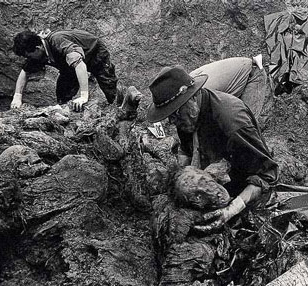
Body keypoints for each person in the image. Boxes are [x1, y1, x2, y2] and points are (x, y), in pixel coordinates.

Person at [147, 65, 279, 231]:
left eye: (175, 115)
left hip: (251, 79)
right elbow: (186, 152)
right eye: (170, 116)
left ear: (192, 99)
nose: (172, 122)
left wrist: (233, 209)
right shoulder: (186, 113)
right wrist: (181, 182)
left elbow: (268, 175)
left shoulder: (234, 123)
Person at [11, 29, 118, 111]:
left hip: (94, 52)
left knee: (109, 86)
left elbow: (79, 65)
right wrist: (17, 97)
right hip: (68, 65)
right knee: (63, 91)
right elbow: (24, 72)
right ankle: (66, 112)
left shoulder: (57, 41)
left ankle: (121, 110)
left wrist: (84, 96)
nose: (28, 59)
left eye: (29, 56)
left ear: (38, 48)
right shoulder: (37, 52)